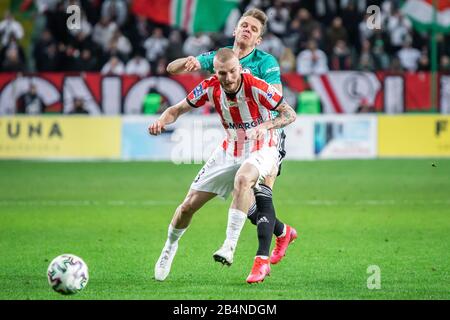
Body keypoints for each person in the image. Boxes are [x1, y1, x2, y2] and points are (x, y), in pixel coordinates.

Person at [166, 8, 298, 270]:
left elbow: (277, 99)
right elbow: (172, 69)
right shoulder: (220, 58)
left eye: (254, 29)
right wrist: (189, 62)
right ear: (235, 30)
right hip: (237, 138)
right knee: (246, 201)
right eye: (244, 25)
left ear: (258, 39)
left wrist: (253, 98)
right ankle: (283, 232)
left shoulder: (265, 61)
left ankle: (260, 260)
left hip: (268, 133)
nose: (247, 30)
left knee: (261, 194)